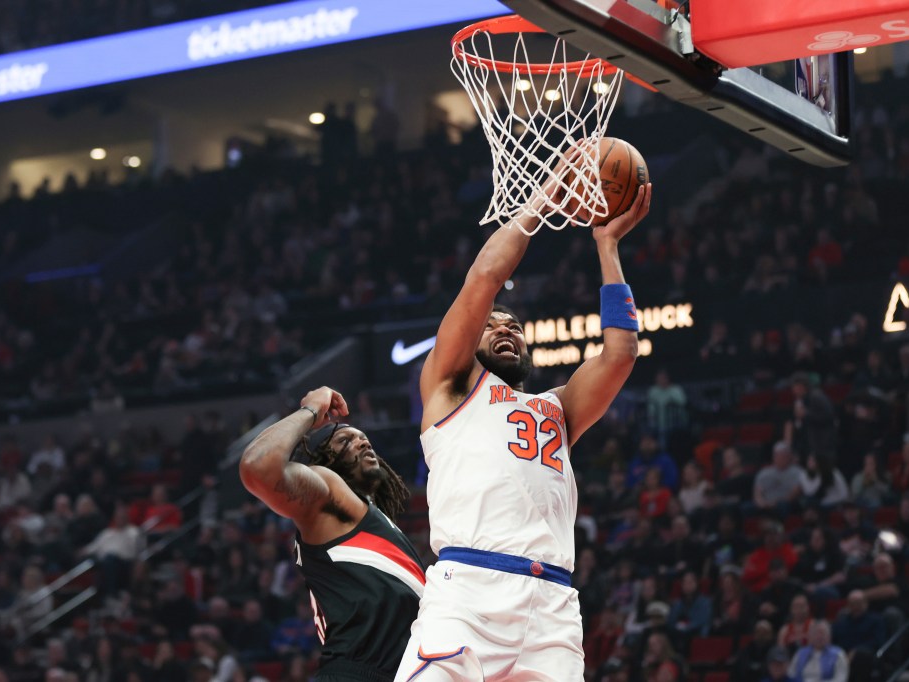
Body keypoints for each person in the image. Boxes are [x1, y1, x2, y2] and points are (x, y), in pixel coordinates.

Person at [394, 168, 651, 680]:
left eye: (514, 326)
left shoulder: (558, 407)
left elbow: (620, 354)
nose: (505, 327)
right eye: (493, 324)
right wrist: (542, 201)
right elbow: (484, 280)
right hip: (469, 592)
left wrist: (607, 247)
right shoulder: (448, 387)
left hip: (552, 609)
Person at [238, 386, 425, 681]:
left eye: (364, 439)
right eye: (345, 440)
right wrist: (310, 411)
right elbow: (257, 467)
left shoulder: (370, 519)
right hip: (359, 671)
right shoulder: (328, 489)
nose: (362, 443)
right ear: (323, 461)